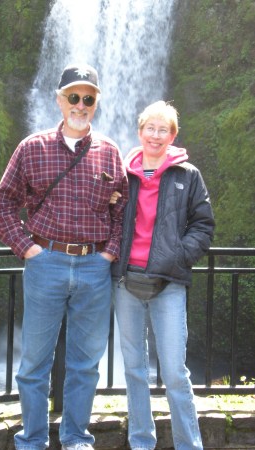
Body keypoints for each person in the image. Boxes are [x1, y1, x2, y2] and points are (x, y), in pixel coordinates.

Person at [0, 63, 128, 450]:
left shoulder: (110, 153)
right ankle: (32, 440)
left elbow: (121, 213)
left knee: (85, 366)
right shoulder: (31, 148)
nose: (80, 104)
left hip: (94, 268)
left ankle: (76, 439)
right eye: (73, 96)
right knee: (35, 364)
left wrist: (110, 254)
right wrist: (29, 250)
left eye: (88, 98)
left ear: (96, 103)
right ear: (59, 100)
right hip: (45, 263)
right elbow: (1, 207)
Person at [111, 100, 215, 450]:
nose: (156, 135)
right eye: (150, 128)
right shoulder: (121, 174)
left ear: (173, 135)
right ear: (140, 131)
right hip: (126, 281)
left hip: (168, 283)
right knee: (134, 370)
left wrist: (178, 257)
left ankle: (189, 445)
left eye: (163, 129)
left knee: (173, 372)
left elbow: (203, 225)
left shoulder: (188, 175)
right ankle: (141, 443)